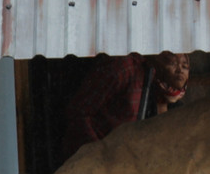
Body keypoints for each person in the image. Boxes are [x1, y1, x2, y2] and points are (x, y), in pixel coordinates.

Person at [57, 50, 192, 164]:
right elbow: (78, 111)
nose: (179, 70)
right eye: (172, 62)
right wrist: (99, 153)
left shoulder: (161, 91)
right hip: (92, 161)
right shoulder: (124, 68)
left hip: (123, 165)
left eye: (185, 66)